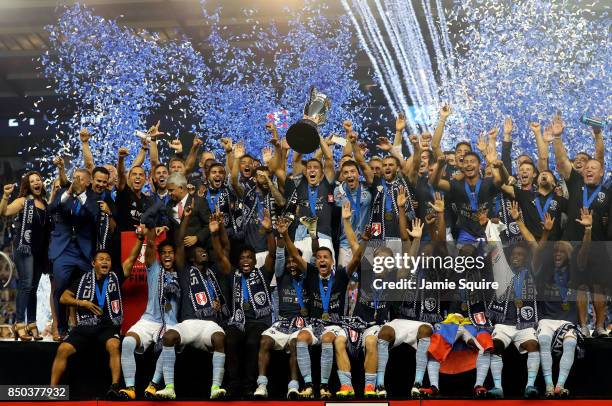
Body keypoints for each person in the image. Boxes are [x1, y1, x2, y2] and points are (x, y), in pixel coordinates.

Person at [281, 216, 365, 399]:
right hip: (314, 324)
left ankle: (325, 386)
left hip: (335, 326)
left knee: (327, 338)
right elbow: (295, 255)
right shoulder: (311, 274)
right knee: (301, 338)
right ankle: (309, 385)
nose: (321, 260)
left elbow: (357, 258)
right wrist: (285, 234)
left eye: (325, 257)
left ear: (332, 261)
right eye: (318, 257)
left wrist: (364, 241)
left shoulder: (341, 275)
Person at [49, 236, 143, 398]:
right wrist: (82, 303)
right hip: (85, 326)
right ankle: (52, 390)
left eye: (108, 259)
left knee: (114, 346)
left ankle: (114, 387)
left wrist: (140, 240)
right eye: (101, 259)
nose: (105, 261)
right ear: (93, 264)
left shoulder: (116, 276)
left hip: (107, 326)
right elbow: (63, 298)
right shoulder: (82, 281)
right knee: (63, 349)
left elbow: (132, 259)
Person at [155, 206, 229, 400]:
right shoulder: (185, 271)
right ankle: (169, 387)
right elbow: (179, 245)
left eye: (205, 250)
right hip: (188, 323)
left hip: (210, 325)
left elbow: (224, 251)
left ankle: (215, 388)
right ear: (190, 257)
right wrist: (185, 219)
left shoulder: (214, 274)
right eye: (198, 251)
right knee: (169, 336)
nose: (203, 252)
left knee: (220, 339)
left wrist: (216, 232)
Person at [214, 206, 276, 398]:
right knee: (230, 340)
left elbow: (273, 254)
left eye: (249, 257)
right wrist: (215, 234)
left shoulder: (263, 273)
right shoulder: (233, 274)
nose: (246, 261)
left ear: (254, 260)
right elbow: (220, 256)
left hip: (259, 321)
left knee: (251, 342)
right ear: (239, 262)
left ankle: (249, 386)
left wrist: (268, 231)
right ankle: (234, 385)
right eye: (242, 258)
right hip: (238, 321)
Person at [118, 226, 181, 400]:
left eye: (171, 252)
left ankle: (153, 385)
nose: (168, 255)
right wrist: (152, 232)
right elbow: (151, 246)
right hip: (149, 319)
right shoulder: (154, 268)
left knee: (169, 345)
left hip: (171, 322)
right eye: (165, 253)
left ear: (175, 256)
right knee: (128, 342)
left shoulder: (182, 272)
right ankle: (130, 388)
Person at [254, 216, 308, 399]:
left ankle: (293, 386)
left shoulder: (308, 278)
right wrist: (280, 234)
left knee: (294, 344)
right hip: (282, 323)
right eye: (289, 261)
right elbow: (279, 255)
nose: (292, 264)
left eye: (296, 260)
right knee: (264, 341)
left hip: (301, 324)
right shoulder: (281, 274)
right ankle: (262, 385)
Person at [48, 168, 99, 338]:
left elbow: (94, 216)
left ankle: (88, 326)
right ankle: (61, 328)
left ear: (88, 182)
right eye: (74, 177)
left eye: (79, 178)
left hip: (84, 252)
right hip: (64, 250)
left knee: (89, 288)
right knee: (60, 286)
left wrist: (82, 196)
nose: (75, 180)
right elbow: (51, 209)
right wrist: (69, 192)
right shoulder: (64, 192)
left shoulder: (93, 197)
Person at [1, 172, 50, 341]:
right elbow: (5, 211)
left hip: (39, 250)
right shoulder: (24, 201)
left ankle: (32, 323)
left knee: (34, 288)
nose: (36, 182)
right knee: (26, 285)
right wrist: (6, 195)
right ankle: (20, 323)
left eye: (38, 180)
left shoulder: (45, 203)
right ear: (28, 185)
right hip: (24, 248)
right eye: (32, 181)